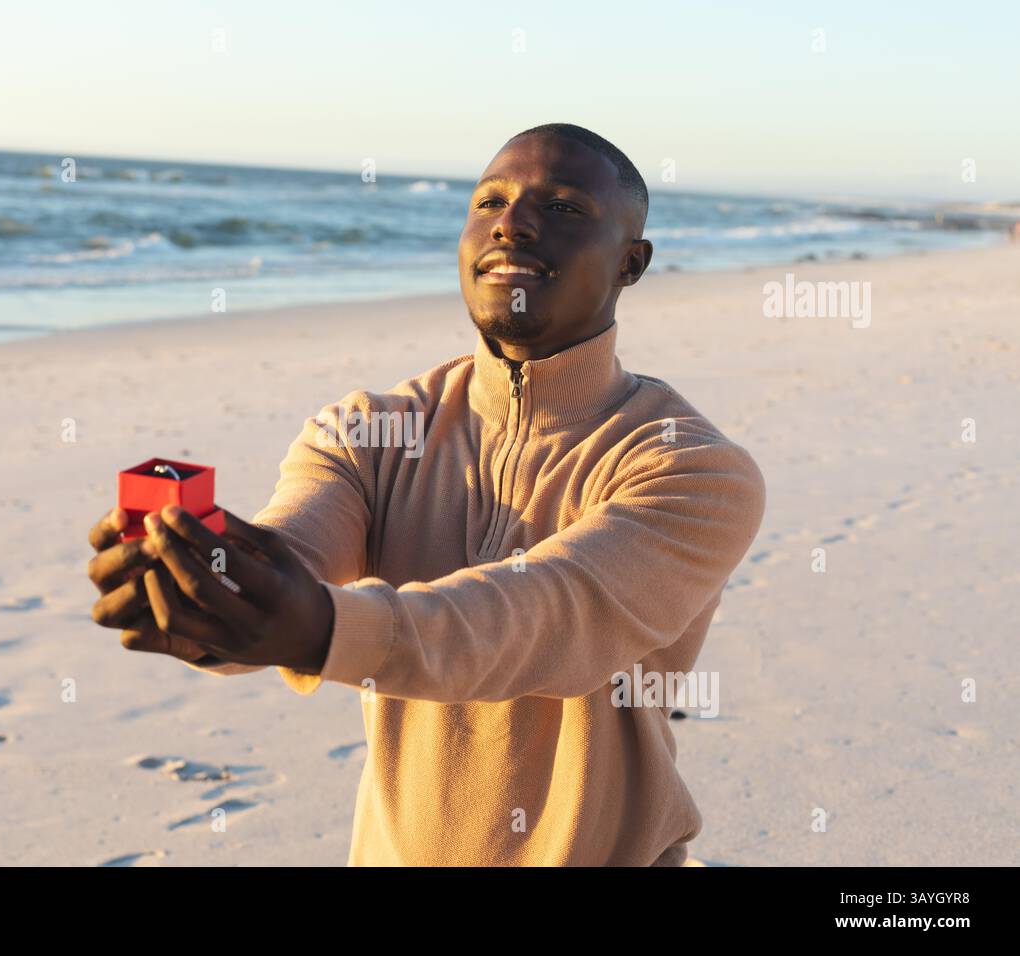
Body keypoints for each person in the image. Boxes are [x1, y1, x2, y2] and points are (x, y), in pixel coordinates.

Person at [87, 123, 767, 866]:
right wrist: (213, 589)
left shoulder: (695, 472)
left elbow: (544, 618)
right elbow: (295, 552)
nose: (511, 222)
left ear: (631, 262)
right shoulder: (368, 431)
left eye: (564, 207)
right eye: (489, 202)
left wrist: (314, 627)